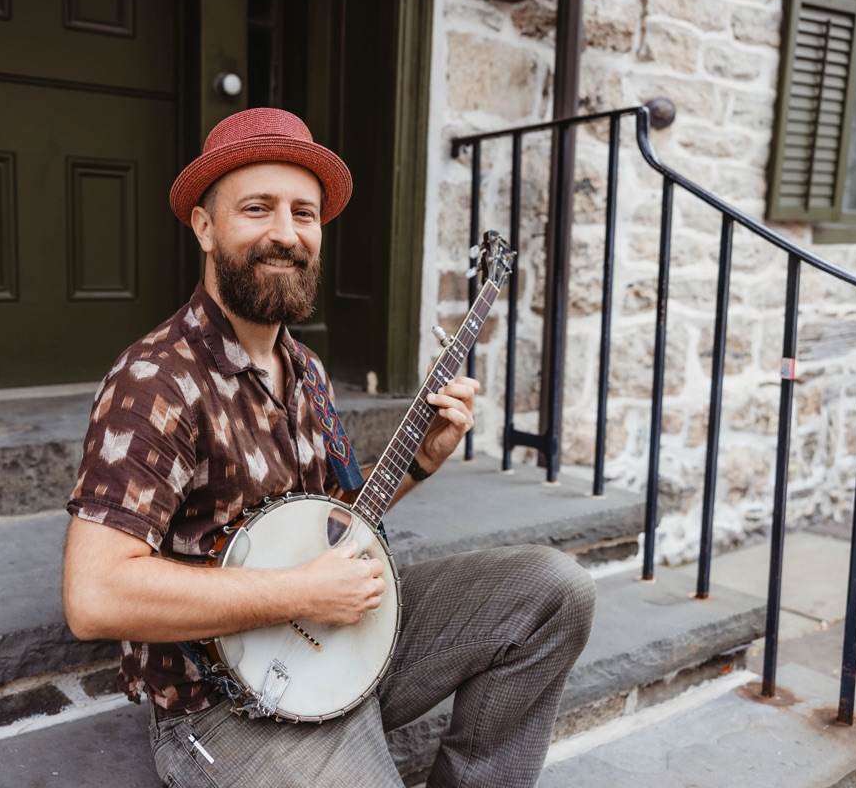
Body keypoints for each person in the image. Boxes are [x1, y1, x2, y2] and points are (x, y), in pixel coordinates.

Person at [62, 107, 596, 787]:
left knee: (554, 591)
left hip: (333, 642)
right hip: (222, 705)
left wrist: (422, 458)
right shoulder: (157, 380)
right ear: (205, 226)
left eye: (304, 214)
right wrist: (298, 593)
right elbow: (95, 595)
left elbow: (336, 518)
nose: (286, 234)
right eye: (257, 208)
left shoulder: (306, 370)